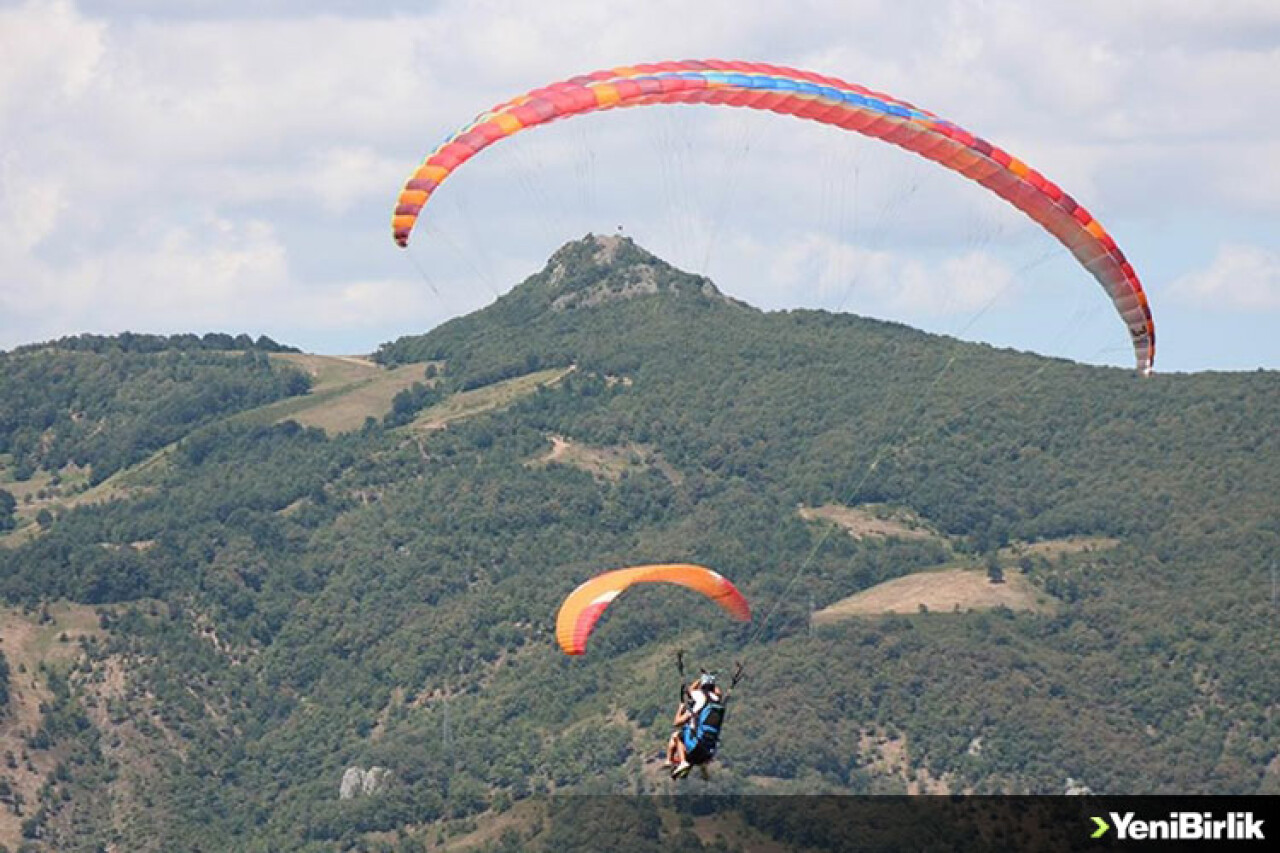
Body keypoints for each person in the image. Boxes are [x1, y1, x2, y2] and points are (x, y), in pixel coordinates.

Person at [666, 672, 725, 779]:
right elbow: (719, 693)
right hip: (710, 750)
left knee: (678, 736)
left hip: (697, 745)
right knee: (691, 740)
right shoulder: (717, 701)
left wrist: (681, 707)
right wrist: (710, 679)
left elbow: (689, 691)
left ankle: (682, 762)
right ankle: (701, 764)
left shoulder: (699, 697)